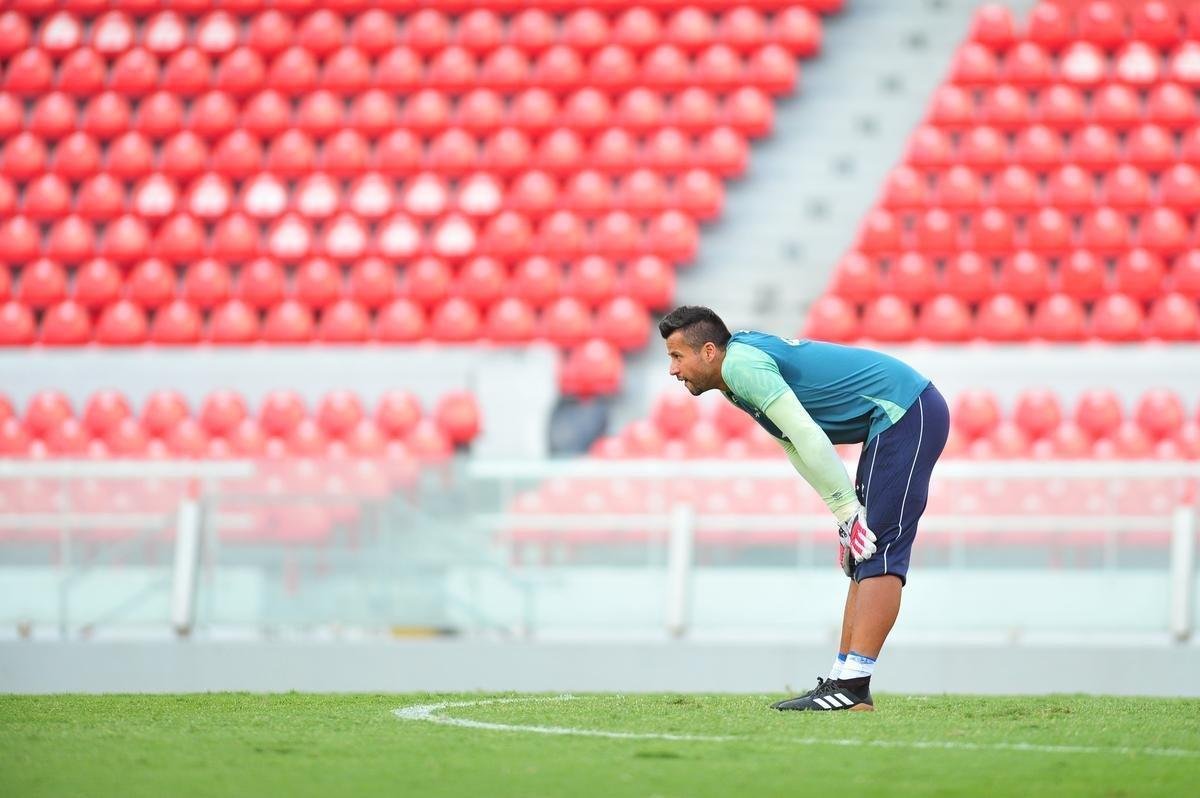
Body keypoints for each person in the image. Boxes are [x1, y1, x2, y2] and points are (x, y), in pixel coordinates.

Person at [659, 305, 949, 711]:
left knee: (881, 550)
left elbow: (807, 433)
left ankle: (853, 687)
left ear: (708, 351)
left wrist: (848, 508)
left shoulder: (741, 366)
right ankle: (843, 680)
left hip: (905, 411)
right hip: (891, 418)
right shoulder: (733, 377)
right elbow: (793, 445)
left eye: (676, 356)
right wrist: (842, 513)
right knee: (861, 557)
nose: (672, 370)